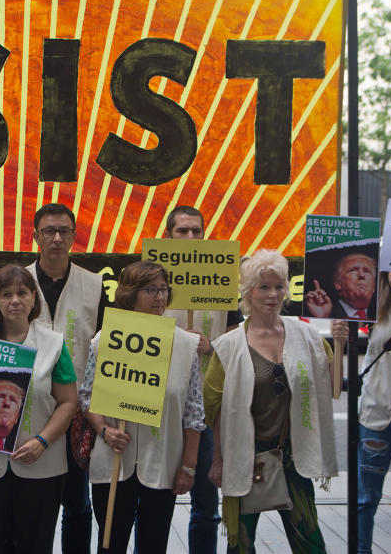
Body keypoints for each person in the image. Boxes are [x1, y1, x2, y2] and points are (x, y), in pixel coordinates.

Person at [204, 249, 337, 553]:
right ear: (248, 291)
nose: (273, 294)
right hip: (244, 458)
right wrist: (218, 460)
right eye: (264, 286)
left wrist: (340, 342)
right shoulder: (228, 346)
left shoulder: (305, 335)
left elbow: (328, 386)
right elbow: (215, 407)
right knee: (240, 546)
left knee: (310, 543)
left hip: (292, 457)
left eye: (279, 286)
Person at [79, 261, 204, 553]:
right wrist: (105, 430)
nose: (160, 297)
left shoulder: (186, 346)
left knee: (153, 545)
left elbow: (194, 413)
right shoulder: (104, 340)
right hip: (112, 462)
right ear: (130, 294)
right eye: (150, 289)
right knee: (110, 543)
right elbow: (87, 396)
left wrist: (188, 466)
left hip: (162, 464)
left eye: (163, 289)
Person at [0, 264, 77, 554]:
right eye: (6, 294)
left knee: (34, 545)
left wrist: (42, 441)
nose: (15, 300)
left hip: (40, 466)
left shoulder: (53, 344)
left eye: (22, 293)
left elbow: (69, 402)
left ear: (34, 298)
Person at [331, 272, 391, 554]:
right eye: (389, 269)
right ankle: (361, 550)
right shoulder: (376, 305)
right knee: (366, 498)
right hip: (377, 415)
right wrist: (340, 337)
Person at [26, 203, 104, 554]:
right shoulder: (18, 282)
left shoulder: (94, 284)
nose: (57, 238)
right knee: (32, 498)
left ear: (74, 237)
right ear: (35, 236)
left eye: (64, 231)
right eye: (49, 231)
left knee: (77, 501)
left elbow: (104, 346)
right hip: (28, 406)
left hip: (78, 411)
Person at [162, 205, 227, 554]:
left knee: (206, 506)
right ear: (167, 236)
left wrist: (210, 345)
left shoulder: (219, 278)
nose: (189, 238)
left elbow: (235, 341)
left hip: (206, 410)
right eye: (181, 231)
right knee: (154, 503)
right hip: (161, 409)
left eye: (195, 231)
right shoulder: (152, 284)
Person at [305, 252, 377, 320]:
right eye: (353, 270)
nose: (361, 275)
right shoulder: (325, 313)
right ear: (338, 284)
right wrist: (323, 317)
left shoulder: (380, 315)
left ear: (374, 286)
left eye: (366, 271)